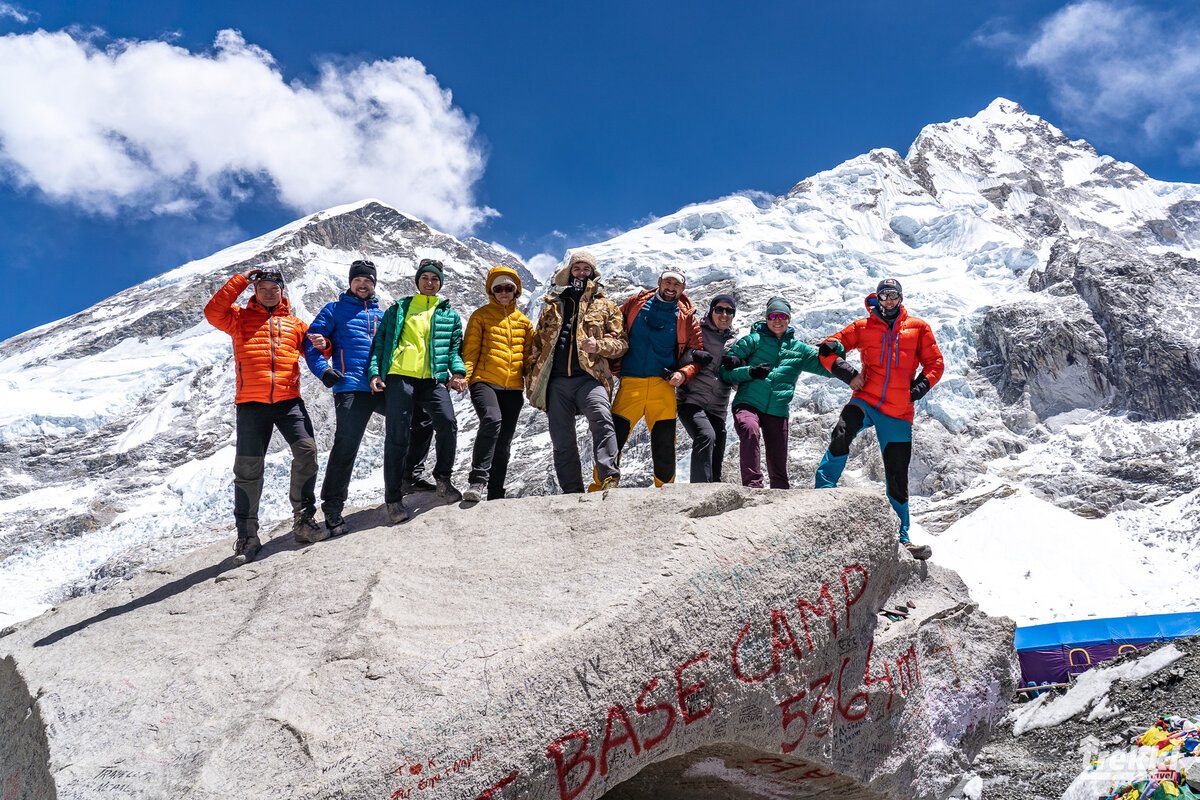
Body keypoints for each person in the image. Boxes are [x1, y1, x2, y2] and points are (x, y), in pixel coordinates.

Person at [814, 278, 944, 560]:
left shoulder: (918, 328)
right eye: (883, 296)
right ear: (877, 298)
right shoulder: (863, 327)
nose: (888, 301)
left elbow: (935, 363)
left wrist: (918, 388)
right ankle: (822, 494)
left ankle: (902, 536)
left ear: (900, 298)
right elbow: (827, 348)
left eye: (893, 296)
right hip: (867, 399)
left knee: (897, 474)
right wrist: (848, 373)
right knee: (842, 433)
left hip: (898, 410)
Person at [204, 266, 323, 565]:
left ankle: (304, 521)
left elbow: (315, 350)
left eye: (275, 288)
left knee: (307, 452)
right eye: (263, 287)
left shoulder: (295, 325)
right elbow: (212, 311)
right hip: (251, 404)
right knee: (248, 470)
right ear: (255, 292)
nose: (269, 292)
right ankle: (247, 536)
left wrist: (326, 344)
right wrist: (241, 279)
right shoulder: (238, 319)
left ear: (283, 292)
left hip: (288, 401)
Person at [367, 258, 467, 524]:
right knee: (397, 434)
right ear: (418, 281)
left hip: (433, 380)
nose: (430, 282)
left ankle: (443, 479)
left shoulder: (449, 314)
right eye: (425, 278)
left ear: (440, 283)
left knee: (447, 423)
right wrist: (376, 372)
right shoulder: (400, 308)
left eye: (435, 279)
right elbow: (381, 343)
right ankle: (394, 498)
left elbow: (454, 349)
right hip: (400, 377)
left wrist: (457, 373)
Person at [525, 251, 628, 493]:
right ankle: (572, 491)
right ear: (570, 272)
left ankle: (609, 478)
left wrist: (598, 346)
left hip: (590, 378)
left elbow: (622, 344)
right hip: (556, 382)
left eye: (586, 269)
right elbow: (537, 345)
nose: (581, 273)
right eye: (576, 268)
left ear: (593, 273)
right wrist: (532, 376)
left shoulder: (606, 305)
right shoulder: (552, 306)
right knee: (562, 439)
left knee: (602, 421)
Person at [720, 296, 847, 490]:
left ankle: (780, 495)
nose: (777, 320)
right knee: (749, 429)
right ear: (766, 318)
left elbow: (828, 370)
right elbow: (725, 372)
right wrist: (750, 372)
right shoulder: (752, 341)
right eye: (772, 315)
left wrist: (837, 347)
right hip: (748, 401)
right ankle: (752, 487)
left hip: (778, 409)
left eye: (782, 315)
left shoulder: (799, 350)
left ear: (788, 318)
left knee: (778, 457)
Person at [598, 269, 704, 488]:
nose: (671, 287)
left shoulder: (687, 317)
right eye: (668, 282)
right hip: (630, 383)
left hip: (662, 386)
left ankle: (665, 492)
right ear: (659, 282)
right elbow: (614, 326)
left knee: (664, 443)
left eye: (676, 284)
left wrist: (683, 374)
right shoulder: (635, 304)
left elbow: (697, 356)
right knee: (613, 438)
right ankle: (599, 488)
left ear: (682, 288)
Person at [461, 266, 534, 502]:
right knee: (492, 420)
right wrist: (465, 376)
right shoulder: (480, 315)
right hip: (484, 381)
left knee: (503, 442)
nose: (504, 292)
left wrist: (534, 387)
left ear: (516, 291)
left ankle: (495, 493)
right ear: (492, 292)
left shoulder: (524, 323)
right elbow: (470, 351)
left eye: (508, 288)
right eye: (499, 288)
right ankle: (477, 481)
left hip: (513, 388)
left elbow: (529, 358)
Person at [677, 294, 739, 483]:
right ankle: (698, 491)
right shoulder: (698, 332)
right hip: (691, 400)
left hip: (718, 409)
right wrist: (693, 355)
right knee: (705, 435)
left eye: (729, 311)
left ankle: (711, 499)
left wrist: (737, 366)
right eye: (719, 309)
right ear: (711, 311)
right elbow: (677, 357)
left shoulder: (735, 342)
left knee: (716, 456)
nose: (724, 314)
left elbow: (737, 382)